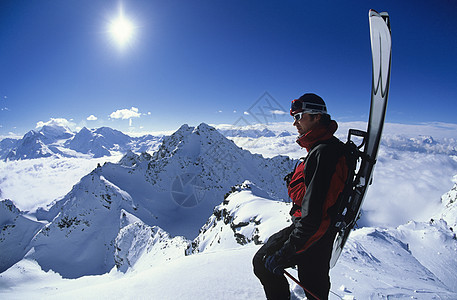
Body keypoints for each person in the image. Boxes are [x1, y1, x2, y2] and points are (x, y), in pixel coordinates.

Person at [253, 93, 349, 300]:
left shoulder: (324, 154)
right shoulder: (323, 148)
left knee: (264, 263)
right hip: (316, 232)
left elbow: (316, 215)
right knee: (313, 284)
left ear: (316, 116)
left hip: (314, 234)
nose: (294, 123)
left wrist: (287, 251)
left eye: (299, 116)